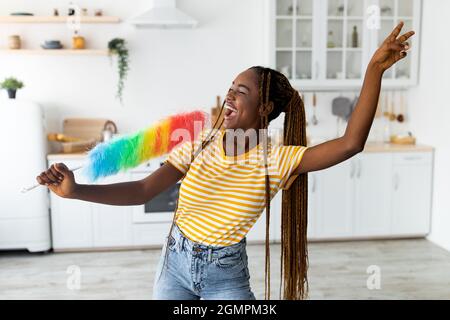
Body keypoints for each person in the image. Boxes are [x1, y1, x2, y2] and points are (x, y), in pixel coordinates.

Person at [37, 22, 414, 300]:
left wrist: (373, 71)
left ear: (264, 108)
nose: (230, 96)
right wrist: (76, 191)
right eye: (231, 88)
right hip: (175, 265)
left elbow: (350, 143)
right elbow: (142, 189)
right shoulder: (200, 144)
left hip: (225, 276)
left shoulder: (275, 160)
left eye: (241, 92)